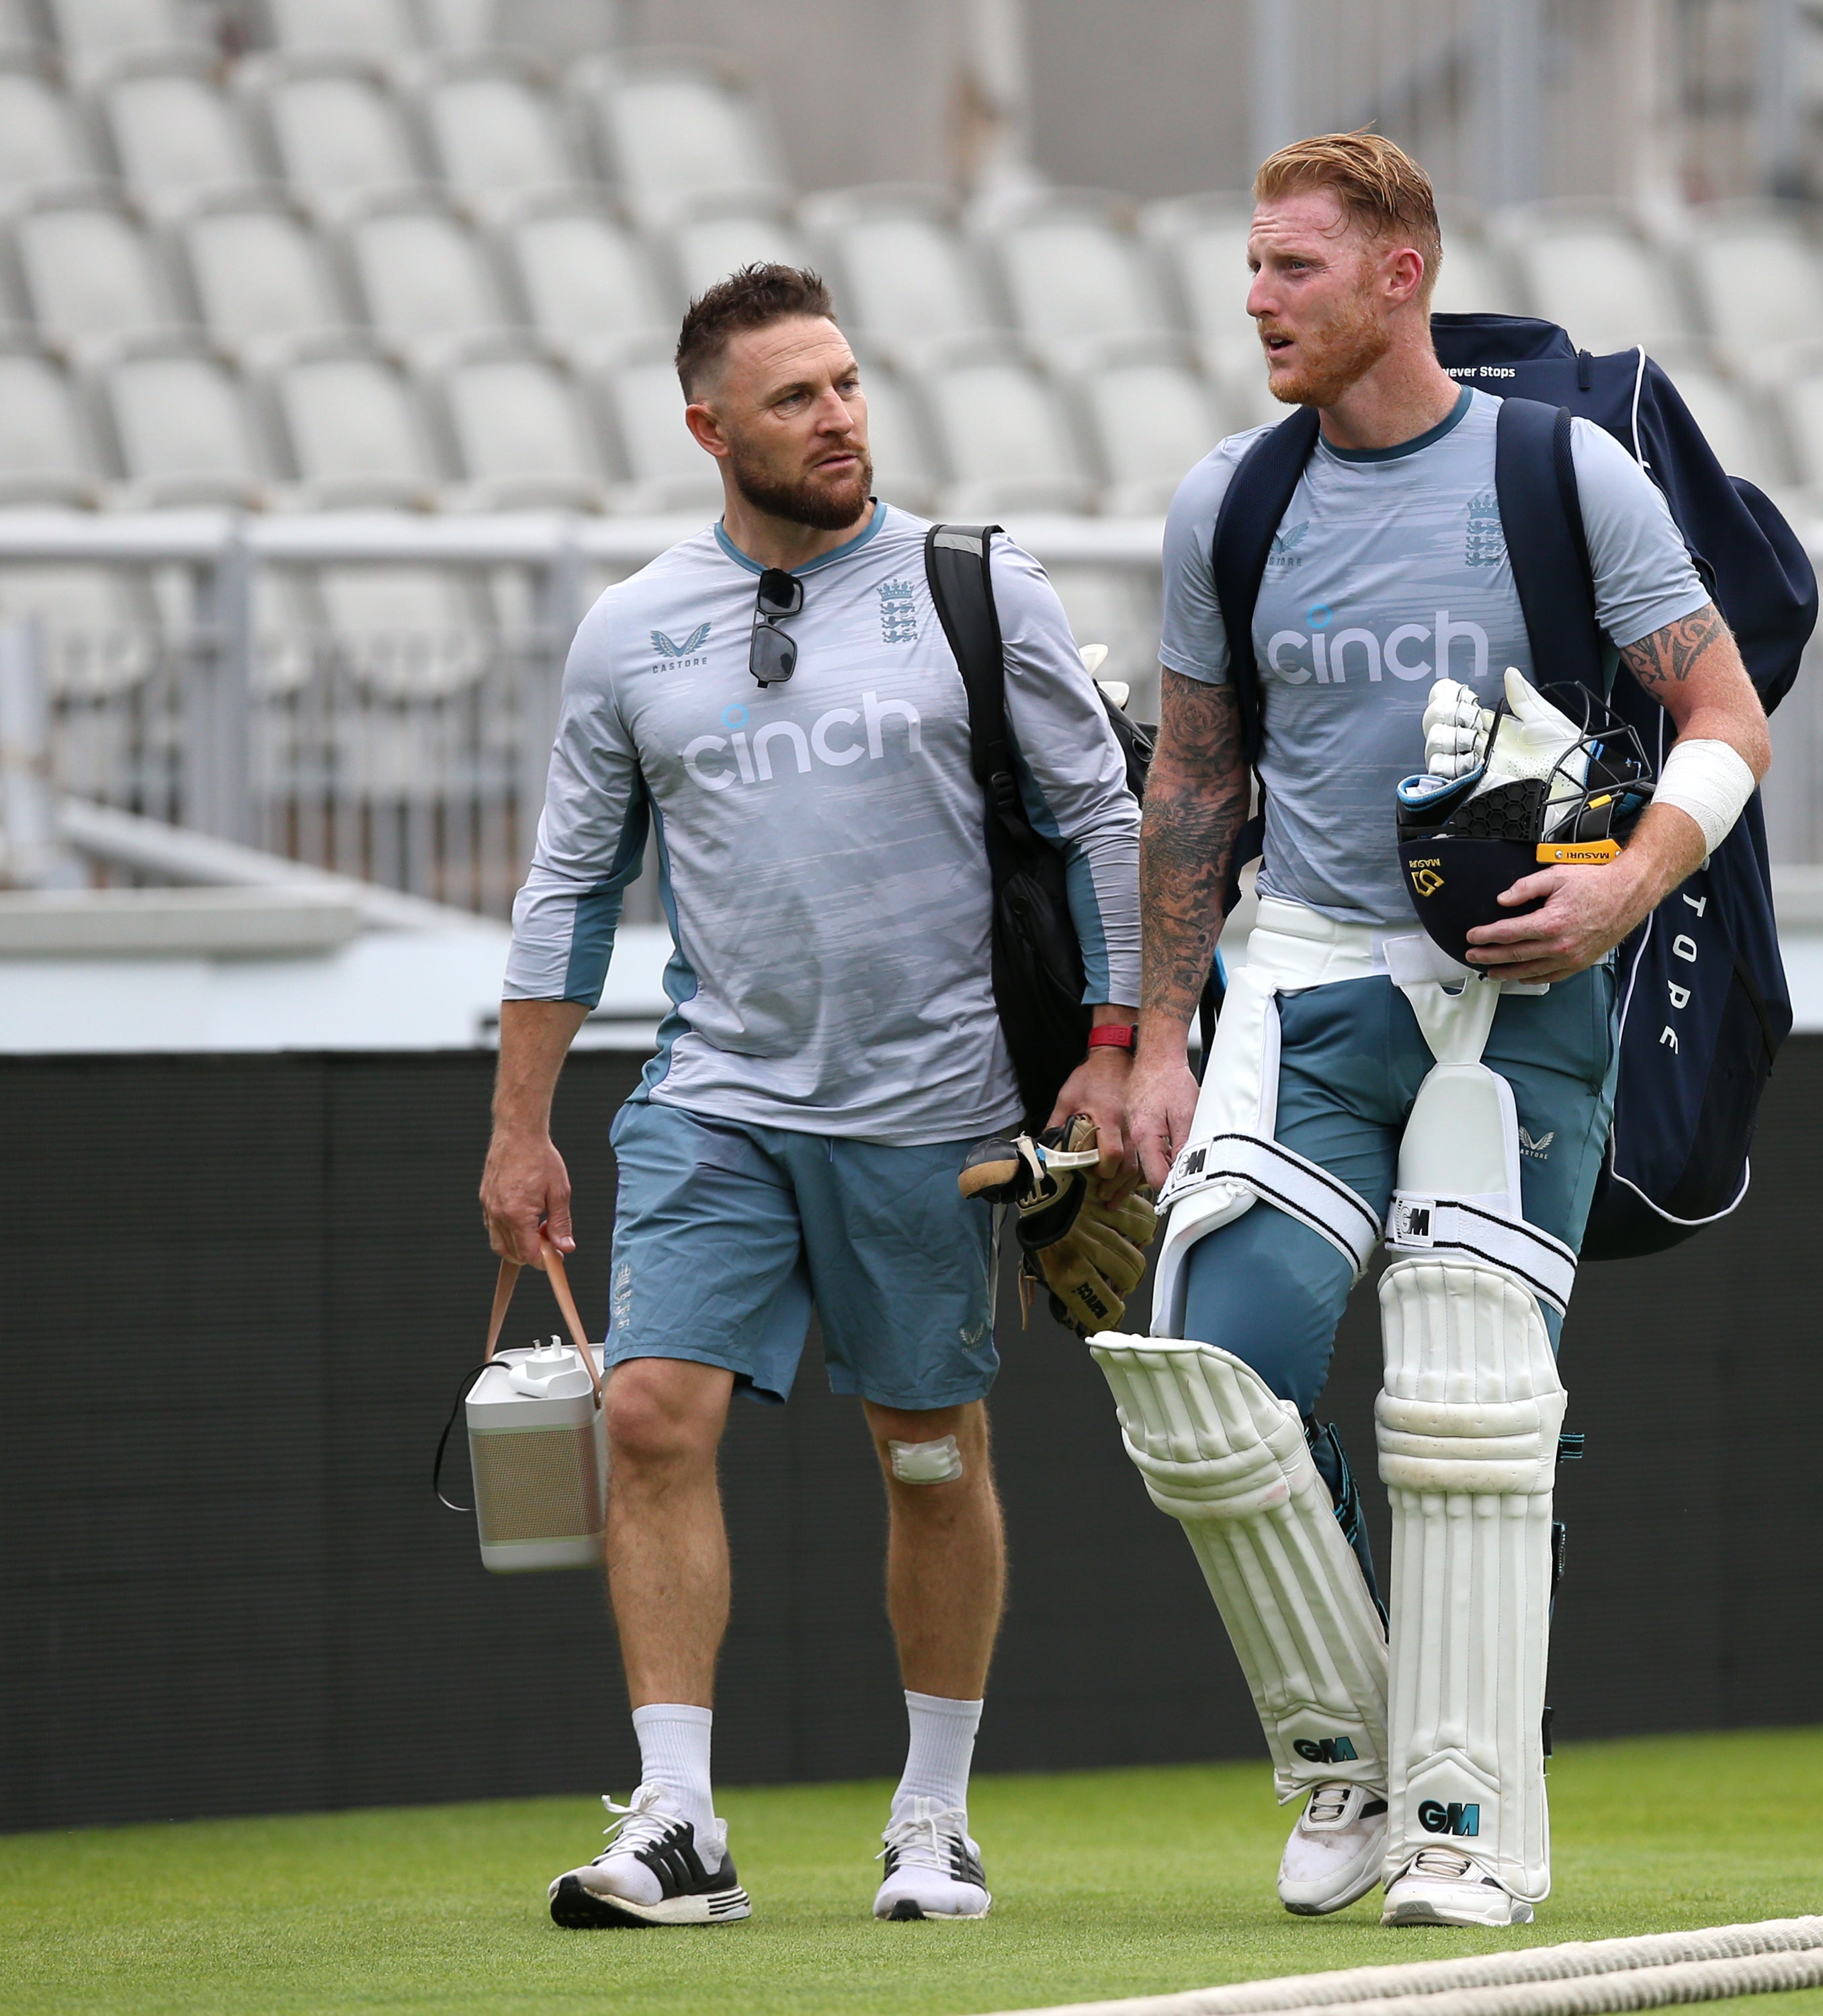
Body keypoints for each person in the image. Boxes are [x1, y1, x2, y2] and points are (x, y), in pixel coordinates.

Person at [1100, 134, 1773, 1929]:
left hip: (1524, 1002)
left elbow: (1722, 711)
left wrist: (1629, 884)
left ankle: (1462, 1830)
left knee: (1471, 1413)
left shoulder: (1567, 473)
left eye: (1291, 269)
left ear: (1401, 272)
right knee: (1207, 1379)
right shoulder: (1226, 502)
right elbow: (1190, 776)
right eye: (1249, 267)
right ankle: (1347, 1760)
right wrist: (1154, 1035)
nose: (1256, 301)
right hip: (1310, 976)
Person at [480, 263, 1142, 1929]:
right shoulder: (630, 629)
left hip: (936, 1112)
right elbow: (567, 887)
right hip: (714, 1098)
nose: (837, 416)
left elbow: (1104, 822)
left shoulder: (971, 585)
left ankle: (932, 1819)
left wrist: (1121, 1048)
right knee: (645, 1414)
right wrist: (517, 1122)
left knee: (927, 1454)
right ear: (709, 428)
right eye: (795, 397)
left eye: (847, 384)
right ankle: (679, 1824)